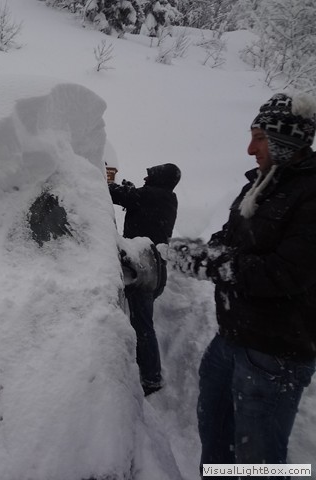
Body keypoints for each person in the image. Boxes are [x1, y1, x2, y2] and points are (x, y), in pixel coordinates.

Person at [167, 92, 316, 477]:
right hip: (232, 338)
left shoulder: (310, 193)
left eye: (260, 138)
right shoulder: (261, 184)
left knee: (258, 462)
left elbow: (285, 272)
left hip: (276, 354)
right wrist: (196, 250)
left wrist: (209, 263)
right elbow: (231, 238)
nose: (250, 149)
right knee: (215, 439)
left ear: (286, 139)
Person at [108, 163, 181, 396]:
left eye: (150, 176)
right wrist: (131, 191)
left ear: (159, 179)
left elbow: (117, 195)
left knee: (143, 326)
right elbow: (137, 199)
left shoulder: (151, 195)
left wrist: (106, 182)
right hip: (156, 269)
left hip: (145, 268)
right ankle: (147, 372)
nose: (145, 178)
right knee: (142, 323)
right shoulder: (166, 197)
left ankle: (151, 378)